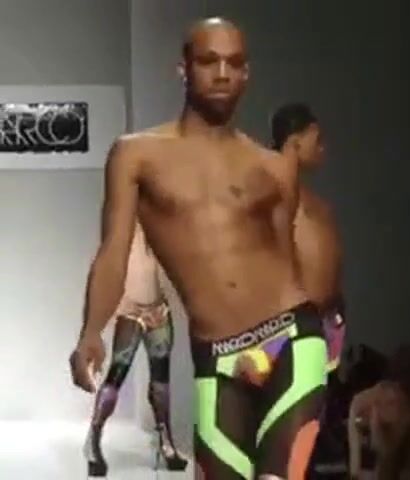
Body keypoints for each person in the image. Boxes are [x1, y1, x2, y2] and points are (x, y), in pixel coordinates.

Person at [69, 16, 327, 480]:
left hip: (292, 338)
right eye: (209, 61)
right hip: (216, 353)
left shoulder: (271, 168)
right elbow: (113, 250)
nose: (222, 73)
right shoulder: (136, 155)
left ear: (246, 73)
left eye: (234, 63)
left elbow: (288, 260)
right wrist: (91, 330)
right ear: (183, 69)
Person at [83, 223, 187, 476]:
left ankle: (166, 442)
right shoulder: (122, 224)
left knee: (161, 379)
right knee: (116, 376)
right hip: (131, 309)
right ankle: (93, 438)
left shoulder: (157, 221)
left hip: (158, 310)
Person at [270, 103, 345, 374]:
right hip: (289, 327)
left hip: (327, 321)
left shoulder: (317, 204)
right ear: (296, 142)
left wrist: (336, 321)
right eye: (317, 138)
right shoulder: (271, 197)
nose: (323, 148)